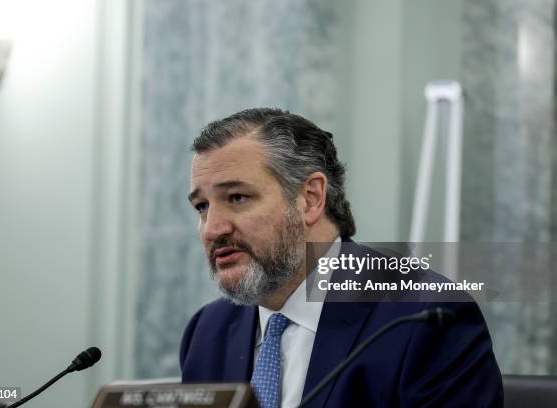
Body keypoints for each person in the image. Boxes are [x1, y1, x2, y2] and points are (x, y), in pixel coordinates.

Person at [180, 108, 503, 407]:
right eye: (202, 207)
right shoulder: (208, 331)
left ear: (310, 199)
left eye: (237, 197)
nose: (213, 229)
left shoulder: (424, 318)